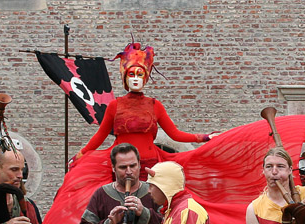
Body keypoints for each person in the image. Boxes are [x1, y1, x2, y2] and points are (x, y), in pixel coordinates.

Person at [73, 42, 216, 170]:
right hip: (122, 167)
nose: (135, 79)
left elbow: (175, 134)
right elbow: (100, 136)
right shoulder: (115, 105)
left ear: (145, 77)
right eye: (131, 74)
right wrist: (81, 154)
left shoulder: (155, 105)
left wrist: (205, 137)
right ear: (125, 78)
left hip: (150, 165)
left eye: (139, 74)